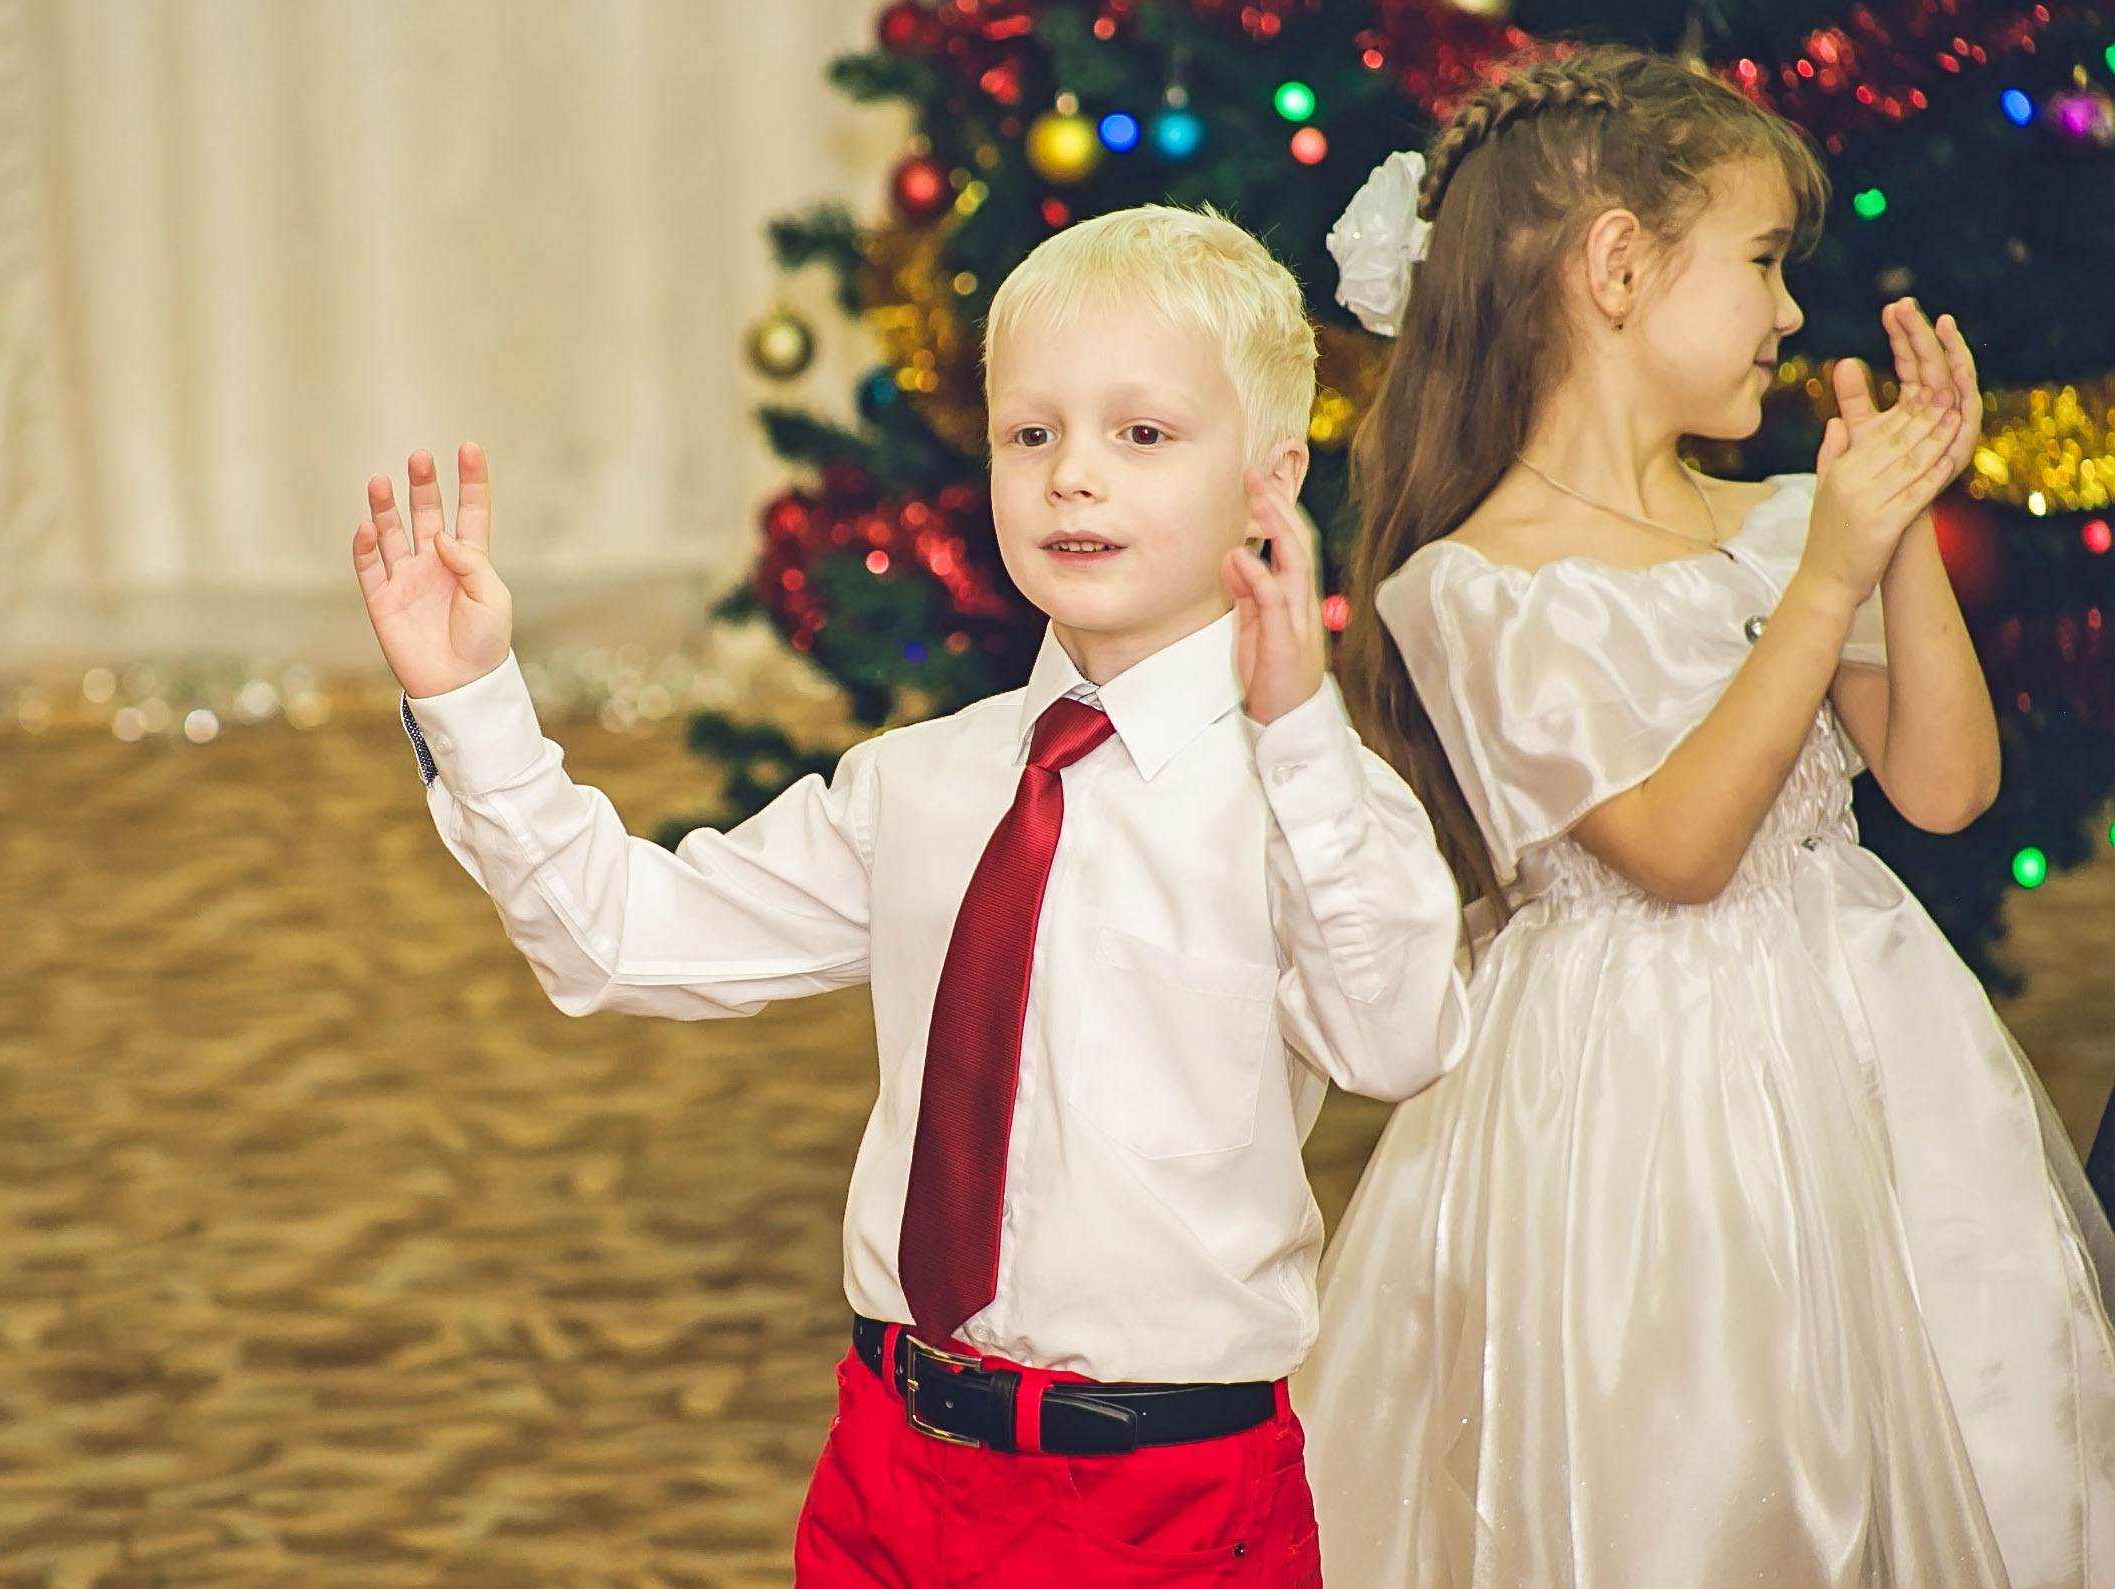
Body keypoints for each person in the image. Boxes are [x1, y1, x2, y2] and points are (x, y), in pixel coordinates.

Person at [351, 202, 1468, 1586]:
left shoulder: (1305, 800)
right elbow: (617, 940)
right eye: (1030, 433)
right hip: (891, 1456)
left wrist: (1299, 731)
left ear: (1271, 477)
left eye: (1143, 434)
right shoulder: (919, 786)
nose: (1072, 478)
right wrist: (472, 702)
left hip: (1159, 1493)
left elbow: (1397, 1037)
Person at [1302, 45, 2115, 1587]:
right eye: (1756, 262)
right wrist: (1828, 571)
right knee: (1695, 1462)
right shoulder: (1477, 582)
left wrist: (1893, 522)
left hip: (1867, 1049)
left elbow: (1942, 786)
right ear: (1617, 267)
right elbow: (1675, 850)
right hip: (1634, 1103)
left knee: (1936, 1432)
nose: (1787, 311)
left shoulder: (1778, 519)